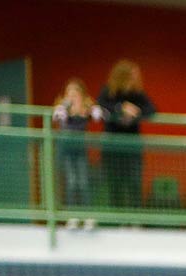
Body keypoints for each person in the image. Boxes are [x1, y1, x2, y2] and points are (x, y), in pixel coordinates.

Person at [96, 59, 156, 212]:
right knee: (115, 183)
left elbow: (152, 109)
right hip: (112, 147)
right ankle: (118, 216)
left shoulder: (137, 94)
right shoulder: (108, 91)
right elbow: (100, 106)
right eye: (133, 75)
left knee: (134, 183)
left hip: (132, 148)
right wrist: (121, 107)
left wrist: (136, 111)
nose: (136, 79)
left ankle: (135, 218)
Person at [51, 78, 99, 220]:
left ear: (81, 95)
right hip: (66, 151)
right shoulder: (62, 109)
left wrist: (91, 111)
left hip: (80, 150)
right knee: (71, 182)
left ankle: (88, 216)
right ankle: (72, 216)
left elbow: (99, 115)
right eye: (69, 94)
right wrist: (63, 110)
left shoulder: (86, 108)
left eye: (75, 94)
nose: (72, 97)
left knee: (83, 182)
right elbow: (55, 118)